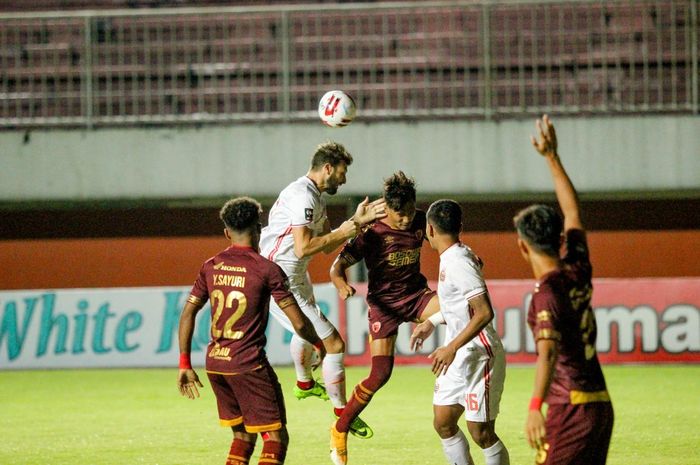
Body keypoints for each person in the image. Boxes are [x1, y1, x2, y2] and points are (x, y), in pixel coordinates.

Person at [177, 196, 326, 465]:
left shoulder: (211, 266)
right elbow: (300, 323)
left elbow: (188, 312)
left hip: (216, 364)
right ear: (259, 229)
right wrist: (319, 344)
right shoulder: (267, 270)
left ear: (226, 232)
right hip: (248, 365)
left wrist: (184, 363)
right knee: (276, 438)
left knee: (243, 436)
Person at [259, 141, 385, 439]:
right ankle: (343, 414)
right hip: (281, 277)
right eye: (342, 172)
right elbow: (304, 247)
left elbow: (326, 247)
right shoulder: (304, 195)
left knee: (304, 333)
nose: (344, 179)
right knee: (335, 346)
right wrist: (351, 225)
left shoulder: (312, 195)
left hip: (293, 274)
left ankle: (304, 384)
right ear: (327, 168)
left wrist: (356, 224)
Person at [515, 115, 614, 464]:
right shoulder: (577, 266)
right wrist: (552, 157)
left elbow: (548, 354)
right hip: (600, 405)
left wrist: (533, 407)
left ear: (523, 247)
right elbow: (572, 212)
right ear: (558, 240)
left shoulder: (546, 294)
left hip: (570, 407)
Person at [328, 171, 441, 465]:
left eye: (408, 211)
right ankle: (340, 429)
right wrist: (341, 284)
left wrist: (464, 257)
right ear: (387, 208)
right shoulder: (373, 232)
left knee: (460, 310)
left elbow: (446, 242)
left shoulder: (420, 220)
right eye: (399, 214)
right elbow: (336, 267)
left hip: (416, 297)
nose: (405, 219)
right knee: (380, 374)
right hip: (384, 306)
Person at [409, 199, 510, 465]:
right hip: (458, 354)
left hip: (479, 354)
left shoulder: (458, 262)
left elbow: (484, 312)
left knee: (482, 433)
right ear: (460, 226)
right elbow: (459, 307)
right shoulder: (454, 257)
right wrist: (432, 321)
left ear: (430, 230)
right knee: (443, 422)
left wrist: (451, 347)